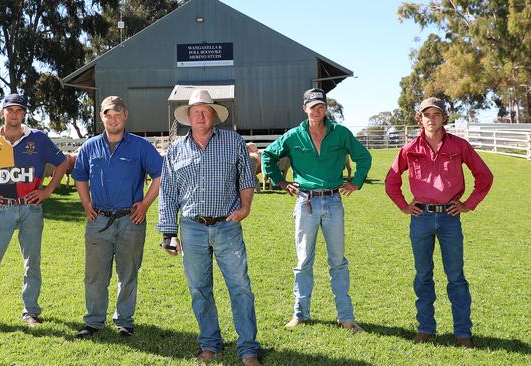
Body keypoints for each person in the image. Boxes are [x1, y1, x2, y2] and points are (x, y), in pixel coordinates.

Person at [157, 89, 261, 366]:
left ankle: (248, 348)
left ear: (214, 115)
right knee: (199, 289)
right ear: (188, 118)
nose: (200, 115)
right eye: (195, 112)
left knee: (240, 287)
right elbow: (168, 192)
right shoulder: (176, 149)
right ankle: (209, 343)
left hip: (227, 225)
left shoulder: (233, 141)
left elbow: (246, 178)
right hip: (191, 228)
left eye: (205, 111)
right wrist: (169, 233)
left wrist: (245, 209)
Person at [384, 97, 493, 348]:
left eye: (436, 114)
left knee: (456, 276)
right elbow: (391, 181)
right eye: (426, 114)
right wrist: (403, 205)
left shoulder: (460, 146)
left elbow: (484, 176)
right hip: (420, 218)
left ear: (444, 118)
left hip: (450, 218)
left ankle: (463, 333)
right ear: (419, 119)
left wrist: (468, 204)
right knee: (423, 275)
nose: (431, 119)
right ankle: (425, 328)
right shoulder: (409, 149)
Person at [261, 88, 372, 332]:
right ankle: (300, 314)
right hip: (305, 202)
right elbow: (267, 156)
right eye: (312, 106)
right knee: (303, 261)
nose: (317, 109)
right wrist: (280, 181)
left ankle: (346, 317)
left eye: (321, 105)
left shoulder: (341, 133)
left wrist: (357, 181)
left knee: (338, 261)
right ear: (305, 108)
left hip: (333, 201)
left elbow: (363, 157)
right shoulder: (293, 136)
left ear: (325, 108)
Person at [0, 93, 69, 335]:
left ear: (24, 114)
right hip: (1, 209)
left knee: (32, 264)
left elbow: (62, 162)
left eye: (19, 110)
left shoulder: (38, 139)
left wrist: (48, 189)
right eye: (11, 109)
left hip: (31, 208)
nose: (15, 114)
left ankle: (31, 312)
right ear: (2, 113)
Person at [72, 96, 162, 338]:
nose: (112, 119)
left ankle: (124, 321)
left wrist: (145, 204)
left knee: (128, 273)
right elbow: (79, 176)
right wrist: (86, 204)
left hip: (130, 221)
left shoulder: (141, 146)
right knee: (94, 275)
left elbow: (160, 175)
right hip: (97, 221)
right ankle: (93, 321)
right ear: (101, 117)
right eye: (107, 115)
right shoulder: (90, 146)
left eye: (117, 114)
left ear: (125, 116)